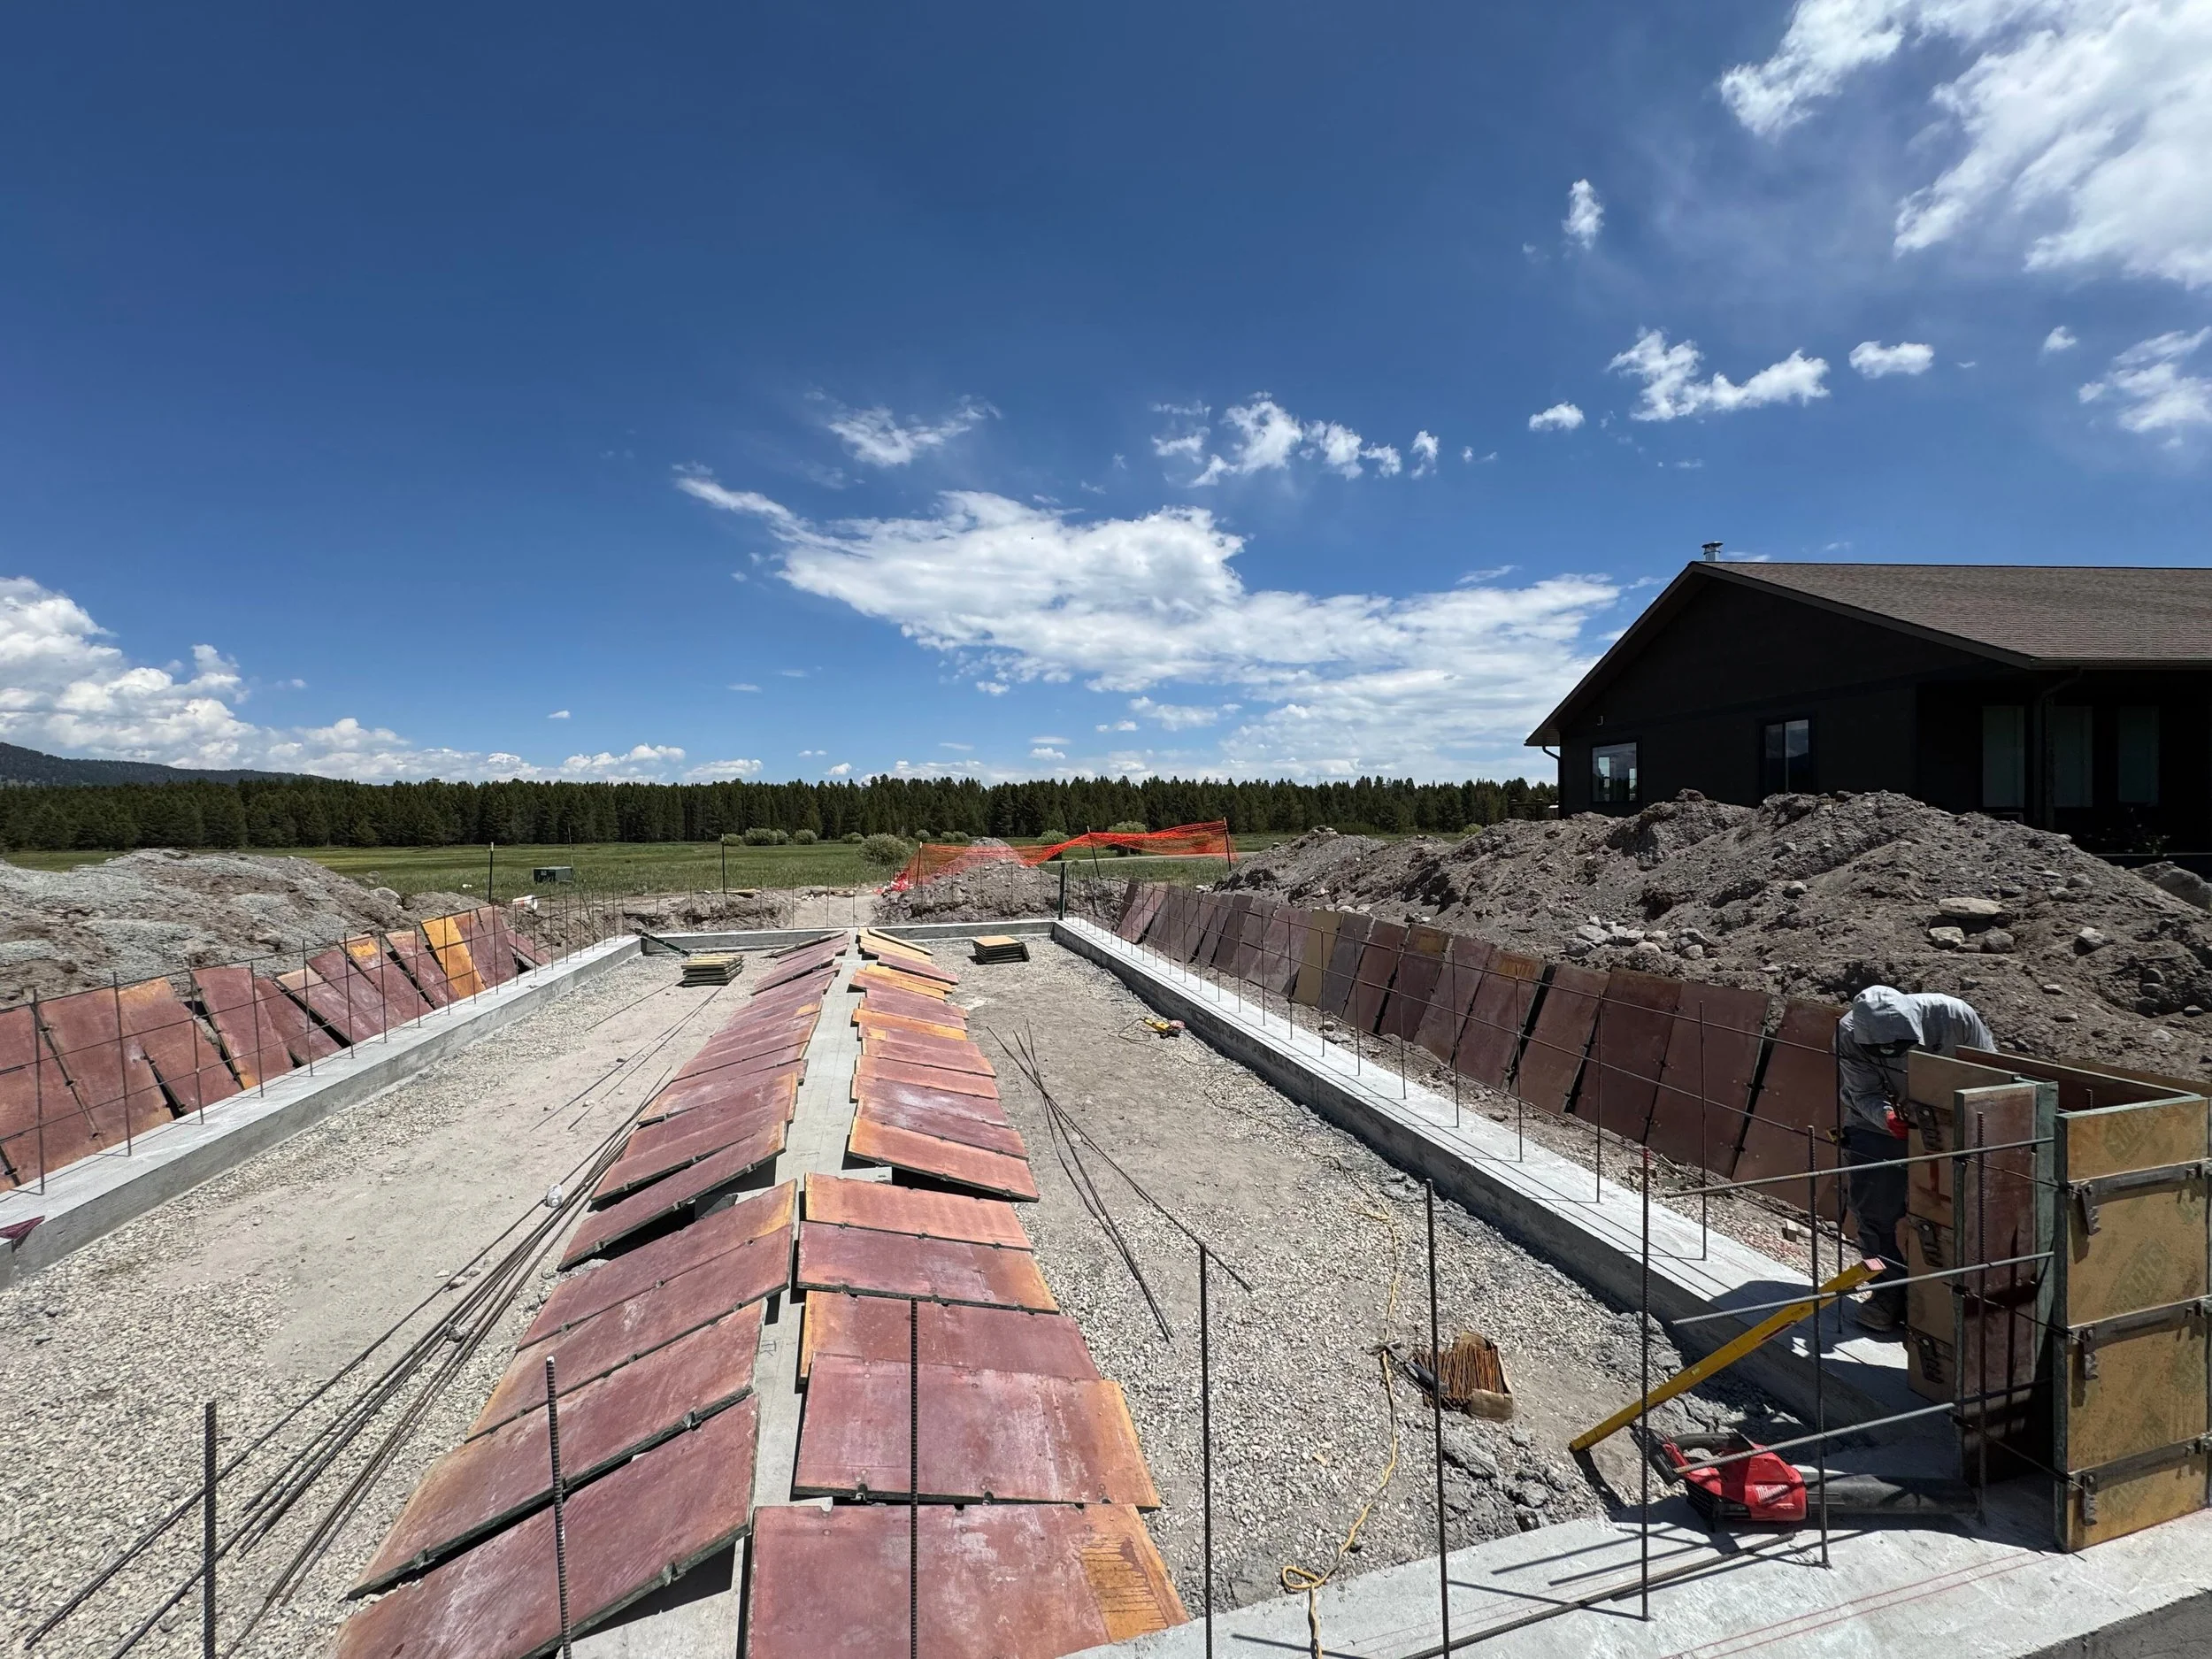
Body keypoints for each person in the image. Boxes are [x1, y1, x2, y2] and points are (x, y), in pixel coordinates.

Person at [1833, 986, 1994, 1333]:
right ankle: (1889, 1294)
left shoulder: (1953, 1016)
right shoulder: (1848, 1033)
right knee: (1875, 1209)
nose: (1892, 1054)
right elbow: (1863, 1093)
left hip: (1953, 1120)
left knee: (1962, 1210)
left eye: (1901, 1046)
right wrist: (1888, 1119)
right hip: (1880, 1122)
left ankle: (1951, 1305)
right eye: (1881, 1050)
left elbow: (1989, 1072)